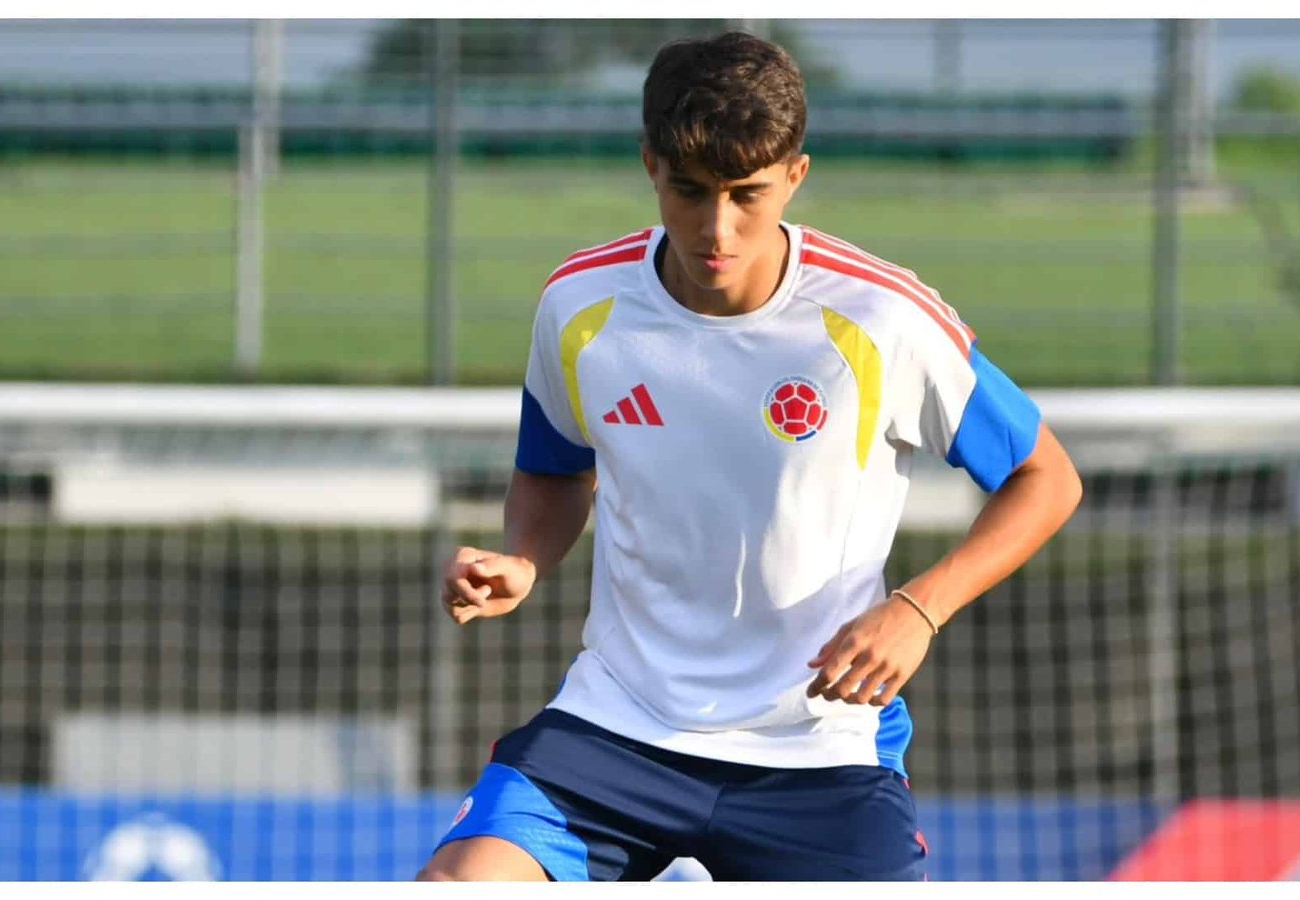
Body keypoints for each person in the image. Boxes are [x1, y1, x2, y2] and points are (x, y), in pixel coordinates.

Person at [417, 31, 1082, 882]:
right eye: (690, 191)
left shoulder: (881, 316)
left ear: (795, 176)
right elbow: (554, 470)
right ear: (650, 165)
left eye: (747, 194)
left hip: (819, 748)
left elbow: (1046, 477)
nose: (716, 227)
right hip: (619, 724)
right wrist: (522, 558)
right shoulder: (580, 304)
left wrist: (919, 610)